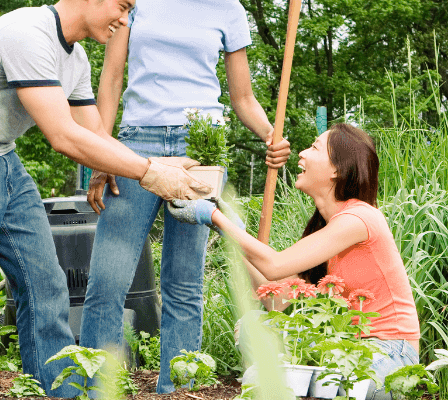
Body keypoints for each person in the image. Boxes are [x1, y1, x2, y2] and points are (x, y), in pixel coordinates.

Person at [0, 0, 213, 397]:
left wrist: (161, 163)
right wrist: (151, 173)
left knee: (46, 285)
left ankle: (62, 393)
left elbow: (95, 135)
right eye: (122, 5)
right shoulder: (26, 32)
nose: (125, 18)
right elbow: (63, 136)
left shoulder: (76, 59)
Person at [79, 0, 290, 392]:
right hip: (136, 145)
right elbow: (110, 79)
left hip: (202, 148)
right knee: (107, 281)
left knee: (183, 284)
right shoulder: (135, 2)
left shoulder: (229, 9)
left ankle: (177, 389)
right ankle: (96, 389)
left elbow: (242, 98)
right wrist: (101, 150)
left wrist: (269, 135)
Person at [170, 124, 420, 400]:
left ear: (337, 169)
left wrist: (216, 217)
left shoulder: (359, 219)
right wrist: (231, 230)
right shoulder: (326, 228)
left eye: (313, 147)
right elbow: (277, 299)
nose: (301, 154)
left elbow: (274, 265)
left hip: (391, 354)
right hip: (345, 352)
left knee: (334, 387)